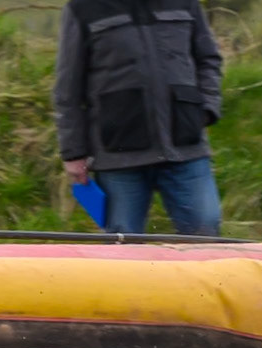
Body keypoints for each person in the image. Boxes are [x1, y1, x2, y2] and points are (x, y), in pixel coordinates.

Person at [52, 0, 225, 236]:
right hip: (118, 155)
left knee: (206, 231)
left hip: (185, 148)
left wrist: (205, 110)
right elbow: (67, 90)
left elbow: (208, 60)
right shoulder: (82, 8)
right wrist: (73, 153)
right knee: (122, 246)